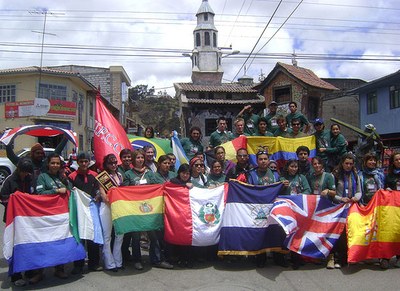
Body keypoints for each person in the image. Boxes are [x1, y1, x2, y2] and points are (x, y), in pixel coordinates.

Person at [36, 153, 71, 279]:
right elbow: (39, 194)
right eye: (53, 163)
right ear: (48, 164)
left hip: (60, 217)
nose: (55, 165)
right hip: (46, 217)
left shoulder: (62, 177)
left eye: (57, 163)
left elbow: (70, 192)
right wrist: (55, 191)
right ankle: (39, 272)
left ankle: (59, 269)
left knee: (59, 242)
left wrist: (66, 183)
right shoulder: (42, 177)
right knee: (43, 244)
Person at [0, 158, 35, 286]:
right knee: (16, 247)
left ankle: (29, 271)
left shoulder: (30, 178)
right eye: (24, 172)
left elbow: (34, 194)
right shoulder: (9, 180)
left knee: (28, 244)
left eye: (27, 172)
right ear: (19, 169)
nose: (25, 175)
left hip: (27, 219)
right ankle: (16, 275)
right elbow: (2, 197)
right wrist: (15, 199)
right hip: (14, 219)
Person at [68, 152, 103, 274]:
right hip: (78, 211)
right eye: (81, 161)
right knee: (79, 237)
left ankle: (94, 263)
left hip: (92, 209)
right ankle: (78, 265)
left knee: (92, 236)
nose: (83, 163)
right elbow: (69, 193)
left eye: (86, 161)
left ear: (89, 162)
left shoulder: (95, 175)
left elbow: (100, 189)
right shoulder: (72, 176)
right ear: (77, 162)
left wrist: (98, 195)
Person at [331, 153, 361, 269]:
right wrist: (341, 198)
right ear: (342, 163)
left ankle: (351, 257)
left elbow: (359, 191)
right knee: (341, 235)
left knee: (352, 232)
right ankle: (339, 259)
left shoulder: (355, 174)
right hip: (339, 207)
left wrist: (356, 198)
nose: (348, 166)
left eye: (351, 164)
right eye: (346, 163)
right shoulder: (335, 174)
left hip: (352, 207)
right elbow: (332, 194)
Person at [98, 154, 124, 272]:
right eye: (110, 163)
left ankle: (118, 261)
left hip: (118, 207)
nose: (113, 165)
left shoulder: (120, 175)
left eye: (115, 163)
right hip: (107, 208)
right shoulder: (103, 177)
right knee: (107, 236)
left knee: (120, 234)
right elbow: (103, 195)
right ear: (106, 164)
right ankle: (109, 263)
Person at [148, 155, 175, 269]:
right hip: (157, 209)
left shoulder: (173, 175)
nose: (167, 165)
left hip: (171, 210)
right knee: (156, 236)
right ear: (159, 164)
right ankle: (156, 259)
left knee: (167, 235)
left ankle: (167, 257)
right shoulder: (153, 177)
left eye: (169, 163)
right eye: (164, 163)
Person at [169, 164, 194, 268]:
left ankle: (187, 259)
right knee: (177, 236)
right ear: (179, 173)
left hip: (187, 214)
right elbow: (171, 185)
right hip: (175, 213)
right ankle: (177, 258)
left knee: (187, 237)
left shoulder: (191, 183)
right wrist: (184, 186)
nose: (185, 175)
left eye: (188, 173)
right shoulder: (173, 182)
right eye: (183, 173)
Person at [384, 151, 400, 268]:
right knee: (390, 231)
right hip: (392, 208)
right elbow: (384, 188)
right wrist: (387, 189)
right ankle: (386, 256)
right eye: (396, 160)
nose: (398, 161)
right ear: (392, 162)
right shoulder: (388, 175)